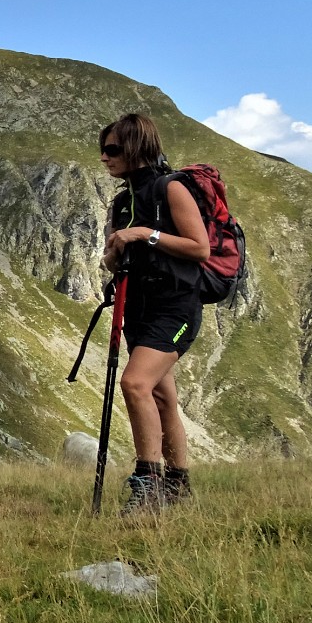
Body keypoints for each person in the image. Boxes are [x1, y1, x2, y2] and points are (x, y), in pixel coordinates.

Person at [98, 114, 209, 514]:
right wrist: (113, 255)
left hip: (176, 306)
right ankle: (179, 484)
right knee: (162, 395)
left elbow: (200, 248)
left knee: (135, 384)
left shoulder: (172, 187)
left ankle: (148, 484)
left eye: (112, 150)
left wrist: (145, 234)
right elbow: (115, 262)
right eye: (103, 149)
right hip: (138, 307)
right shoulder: (123, 200)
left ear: (134, 148)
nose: (104, 158)